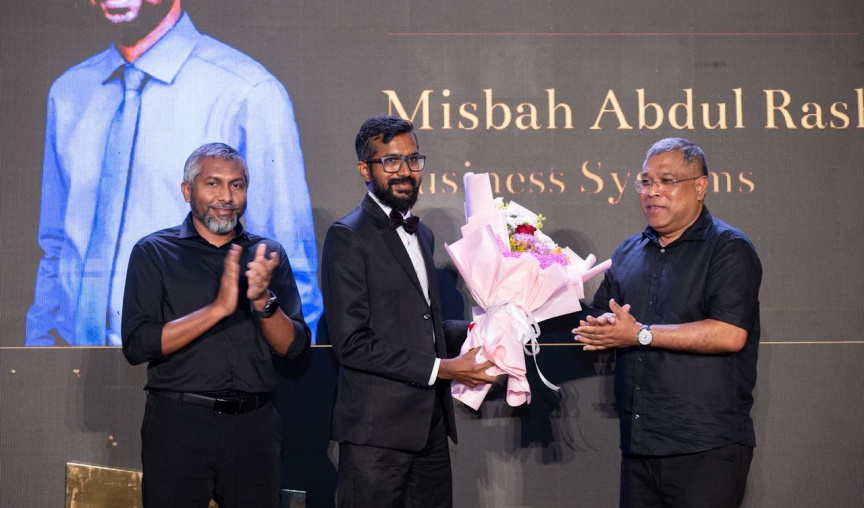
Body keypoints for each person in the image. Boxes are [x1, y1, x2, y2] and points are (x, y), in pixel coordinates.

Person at [27, 0, 321, 346]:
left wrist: (291, 368)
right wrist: (39, 347)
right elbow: (56, 243)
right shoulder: (69, 92)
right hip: (77, 360)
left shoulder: (248, 91)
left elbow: (289, 270)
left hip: (195, 361)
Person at [574, 138, 762, 508]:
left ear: (700, 187)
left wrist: (640, 334)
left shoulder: (728, 248)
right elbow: (601, 321)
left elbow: (729, 333)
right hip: (640, 446)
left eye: (667, 181)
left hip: (705, 448)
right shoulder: (628, 252)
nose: (652, 191)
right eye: (645, 182)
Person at [321, 115, 497, 508]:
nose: (405, 171)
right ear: (365, 169)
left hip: (430, 430)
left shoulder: (423, 234)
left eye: (413, 159)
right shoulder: (347, 237)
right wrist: (443, 368)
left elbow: (421, 326)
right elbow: (352, 344)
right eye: (391, 161)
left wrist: (485, 327)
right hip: (375, 437)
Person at [122, 143, 310, 508]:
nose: (226, 196)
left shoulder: (267, 254)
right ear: (187, 190)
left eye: (237, 185)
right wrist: (217, 309)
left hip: (254, 429)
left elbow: (294, 348)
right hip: (178, 427)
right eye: (213, 183)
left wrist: (263, 301)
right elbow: (137, 344)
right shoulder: (153, 252)